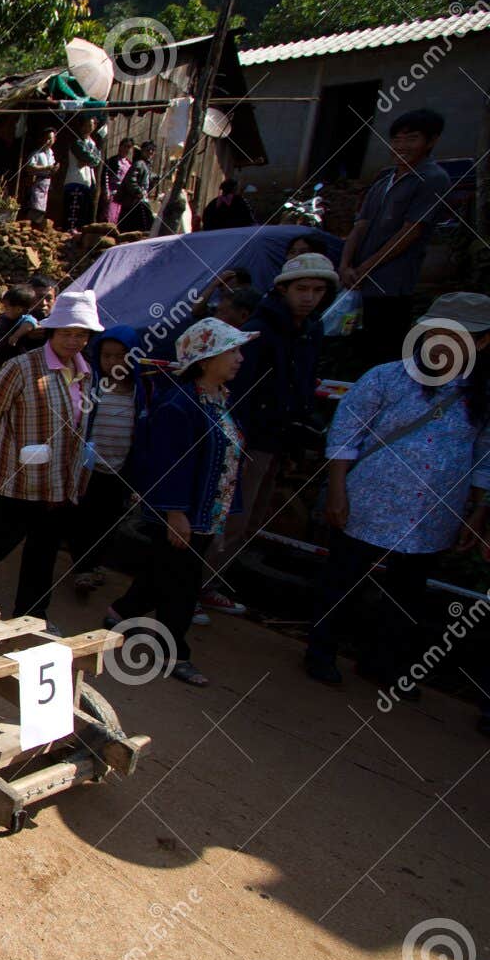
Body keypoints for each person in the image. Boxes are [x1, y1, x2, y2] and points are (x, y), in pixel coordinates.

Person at [304, 293, 490, 692]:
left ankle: (384, 664)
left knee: (407, 594)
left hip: (434, 513)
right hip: (368, 499)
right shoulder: (386, 377)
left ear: (481, 343)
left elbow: (484, 459)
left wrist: (476, 513)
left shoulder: (481, 397)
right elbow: (344, 435)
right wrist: (337, 491)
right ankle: (321, 651)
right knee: (344, 578)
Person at [108, 318, 254, 688]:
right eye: (231, 351)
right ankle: (173, 651)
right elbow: (169, 464)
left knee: (165, 570)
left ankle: (121, 612)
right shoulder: (180, 407)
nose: (239, 358)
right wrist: (175, 513)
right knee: (183, 584)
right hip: (183, 514)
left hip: (204, 511)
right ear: (205, 360)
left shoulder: (218, 399)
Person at [0, 290, 99, 627]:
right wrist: (8, 443)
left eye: (81, 334)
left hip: (60, 480)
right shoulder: (23, 366)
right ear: (52, 332)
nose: (74, 341)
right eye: (67, 333)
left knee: (44, 551)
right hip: (17, 476)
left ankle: (32, 615)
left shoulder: (84, 372)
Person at [200, 252, 336, 616]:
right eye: (302, 288)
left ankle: (208, 584)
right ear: (284, 289)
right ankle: (191, 588)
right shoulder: (262, 328)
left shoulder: (311, 329)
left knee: (251, 519)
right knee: (229, 516)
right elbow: (239, 389)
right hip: (248, 436)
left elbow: (301, 383)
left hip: (279, 437)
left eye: (317, 289)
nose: (309, 296)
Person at [340, 109, 452, 372]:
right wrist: (345, 264)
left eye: (411, 139)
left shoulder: (433, 178)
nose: (402, 147)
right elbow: (361, 224)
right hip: (358, 281)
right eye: (397, 140)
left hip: (392, 283)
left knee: (385, 353)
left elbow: (410, 232)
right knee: (355, 346)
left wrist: (365, 267)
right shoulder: (383, 179)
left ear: (431, 141)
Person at [67, 325, 153, 593]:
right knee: (83, 518)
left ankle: (94, 563)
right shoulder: (92, 386)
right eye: (107, 356)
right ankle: (82, 568)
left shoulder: (143, 391)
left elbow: (146, 432)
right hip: (89, 468)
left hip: (120, 470)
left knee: (110, 519)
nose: (114, 362)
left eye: (121, 355)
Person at [62, 117, 101, 233]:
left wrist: (90, 161)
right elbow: (85, 156)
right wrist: (90, 160)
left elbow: (97, 160)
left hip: (87, 180)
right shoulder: (77, 142)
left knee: (83, 209)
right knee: (73, 209)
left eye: (91, 125)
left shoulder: (92, 144)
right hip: (75, 178)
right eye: (86, 125)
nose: (88, 128)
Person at [117, 141, 157, 234]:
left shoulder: (146, 165)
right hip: (134, 202)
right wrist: (138, 191)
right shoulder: (139, 164)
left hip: (139, 201)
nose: (150, 152)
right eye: (148, 150)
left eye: (152, 150)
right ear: (142, 151)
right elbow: (130, 180)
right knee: (140, 227)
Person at [22, 129, 58, 229]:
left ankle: (38, 225)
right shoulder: (37, 153)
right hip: (37, 181)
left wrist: (54, 169)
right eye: (46, 139)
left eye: (51, 139)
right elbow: (29, 167)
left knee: (42, 205)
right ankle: (31, 225)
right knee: (35, 204)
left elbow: (51, 169)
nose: (48, 141)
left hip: (46, 182)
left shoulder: (51, 153)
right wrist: (45, 168)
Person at [102, 138, 134, 227]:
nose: (127, 149)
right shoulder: (112, 161)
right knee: (110, 215)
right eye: (125, 146)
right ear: (120, 147)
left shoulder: (130, 164)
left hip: (123, 196)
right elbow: (105, 176)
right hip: (112, 193)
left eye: (129, 147)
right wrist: (106, 190)